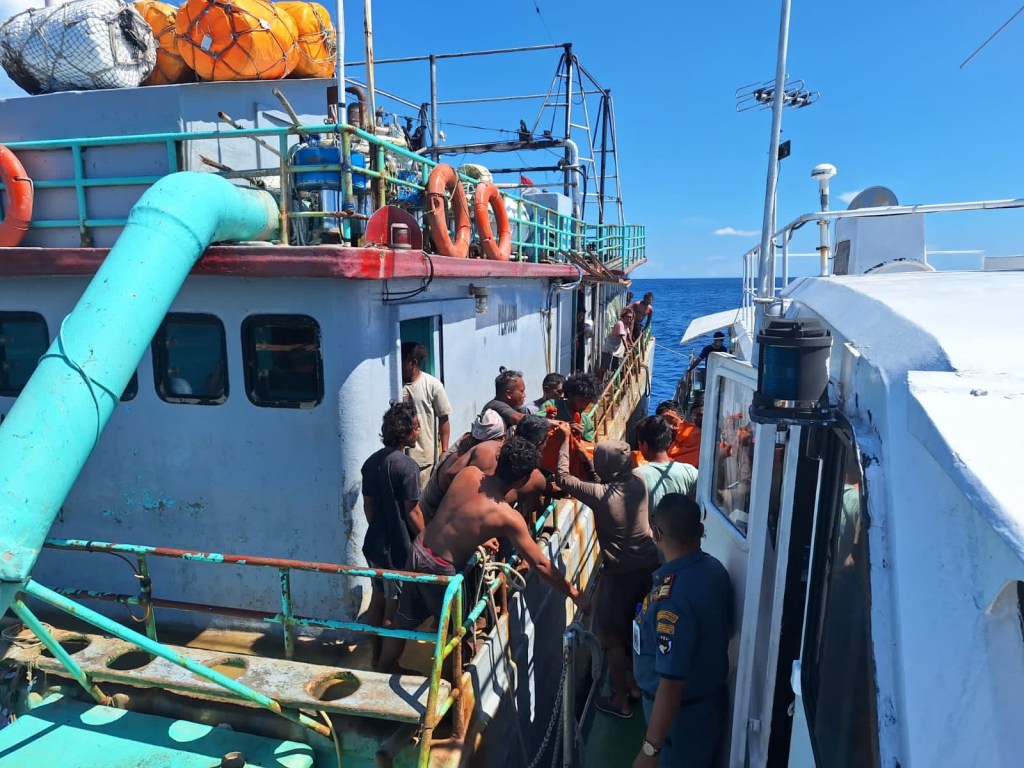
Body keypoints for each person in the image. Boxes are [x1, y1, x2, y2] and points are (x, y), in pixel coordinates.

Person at [377, 437, 591, 672]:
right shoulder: (507, 516)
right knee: (455, 633)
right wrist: (574, 594)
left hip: (419, 547)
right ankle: (448, 684)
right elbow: (540, 563)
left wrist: (478, 534)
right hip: (441, 569)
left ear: (499, 460)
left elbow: (459, 506)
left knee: (403, 618)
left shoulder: (468, 474)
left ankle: (385, 666)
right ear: (523, 480)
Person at [553, 423, 658, 719]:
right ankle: (636, 685)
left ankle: (620, 698)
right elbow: (604, 480)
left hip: (620, 574)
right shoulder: (638, 480)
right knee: (635, 628)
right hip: (648, 568)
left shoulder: (601, 496)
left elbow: (563, 478)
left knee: (612, 639)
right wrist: (583, 455)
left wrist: (564, 442)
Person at [632, 493, 732, 768]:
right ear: (700, 530)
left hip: (680, 721)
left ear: (656, 533)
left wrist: (650, 750)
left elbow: (672, 683)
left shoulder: (673, 599)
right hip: (702, 708)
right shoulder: (714, 569)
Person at [360, 402, 425, 666]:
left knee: (377, 599)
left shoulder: (370, 462)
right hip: (397, 549)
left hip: (374, 545)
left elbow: (368, 506)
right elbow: (413, 512)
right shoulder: (408, 467)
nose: (419, 431)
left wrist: (379, 528)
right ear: (405, 430)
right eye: (416, 426)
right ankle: (387, 665)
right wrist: (428, 540)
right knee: (393, 606)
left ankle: (374, 655)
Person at [419, 409, 505, 522]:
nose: (502, 443)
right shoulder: (460, 458)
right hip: (430, 518)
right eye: (499, 441)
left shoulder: (469, 445)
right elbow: (451, 477)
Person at [401, 342, 453, 489]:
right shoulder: (392, 385)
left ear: (413, 363)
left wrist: (444, 450)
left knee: (422, 497)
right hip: (399, 457)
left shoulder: (433, 385)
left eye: (402, 361)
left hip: (424, 460)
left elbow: (443, 418)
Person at [634, 416, 698, 513]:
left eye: (639, 443)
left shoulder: (636, 477)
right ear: (668, 442)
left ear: (645, 445)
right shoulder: (690, 471)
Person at [543, 372, 600, 442]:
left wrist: (577, 440)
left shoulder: (586, 422)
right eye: (581, 400)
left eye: (588, 402)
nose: (584, 405)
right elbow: (536, 422)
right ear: (570, 395)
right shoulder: (552, 405)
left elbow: (588, 445)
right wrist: (564, 427)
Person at [655, 400, 702, 468]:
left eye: (670, 419)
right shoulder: (661, 434)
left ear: (681, 419)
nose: (666, 424)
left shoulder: (694, 435)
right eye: (662, 421)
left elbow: (689, 463)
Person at [600, 306, 634, 375]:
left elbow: (628, 335)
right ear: (624, 316)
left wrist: (632, 344)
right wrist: (627, 350)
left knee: (614, 369)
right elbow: (623, 338)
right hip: (609, 350)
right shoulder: (620, 323)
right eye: (628, 317)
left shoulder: (626, 324)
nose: (629, 319)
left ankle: (611, 380)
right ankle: (599, 381)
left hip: (616, 351)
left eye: (631, 317)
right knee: (604, 369)